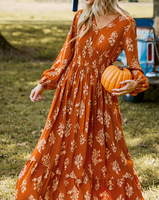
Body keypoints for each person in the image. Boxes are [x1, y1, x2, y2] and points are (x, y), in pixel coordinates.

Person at [14, 0, 149, 199]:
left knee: (102, 149)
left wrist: (135, 82)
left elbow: (134, 65)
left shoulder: (126, 23)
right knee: (57, 144)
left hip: (100, 97)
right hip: (69, 92)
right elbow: (65, 55)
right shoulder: (81, 17)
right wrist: (44, 83)